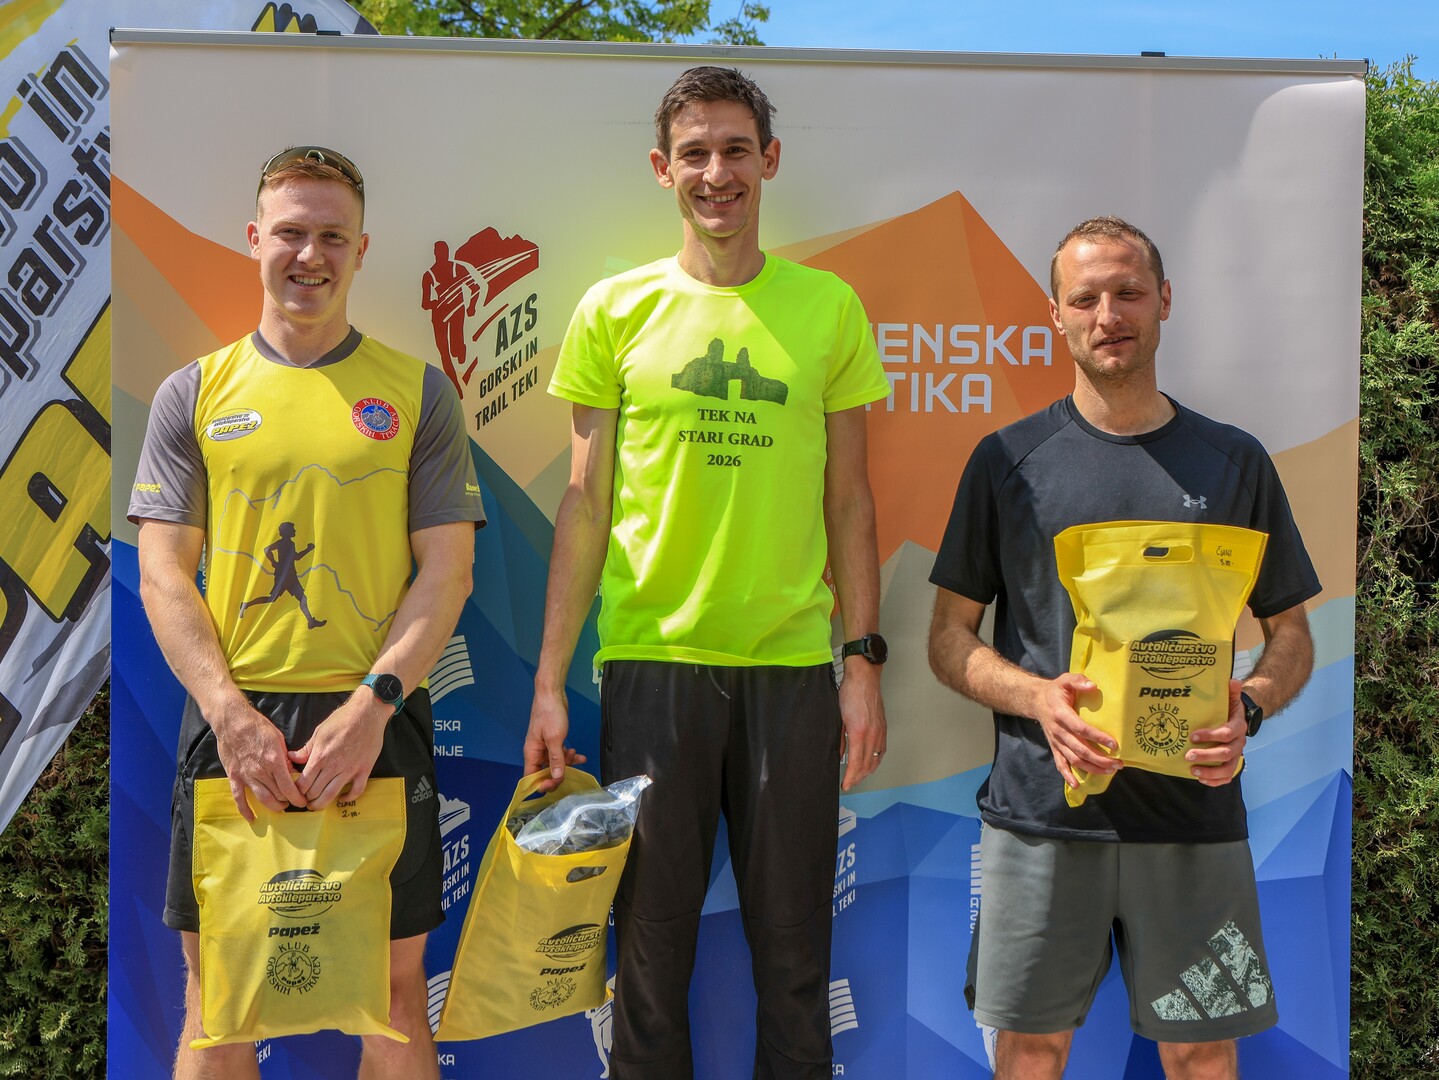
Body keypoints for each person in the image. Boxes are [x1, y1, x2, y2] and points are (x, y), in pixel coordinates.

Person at [523, 66, 891, 1080]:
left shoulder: (828, 308)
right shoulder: (614, 308)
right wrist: (551, 680)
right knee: (646, 960)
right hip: (653, 666)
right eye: (694, 153)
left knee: (795, 959)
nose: (715, 172)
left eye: (734, 150)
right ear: (662, 168)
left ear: (768, 160)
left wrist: (861, 663)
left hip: (790, 671)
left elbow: (851, 503)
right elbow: (584, 504)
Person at [927, 216, 1320, 1080]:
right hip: (1041, 815)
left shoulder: (1234, 460)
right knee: (1029, 1052)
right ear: (1056, 315)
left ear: (1163, 301)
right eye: (1085, 298)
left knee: (1201, 1054)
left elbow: (1290, 634)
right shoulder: (1005, 461)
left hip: (1193, 819)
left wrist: (1249, 707)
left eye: (1128, 292)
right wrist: (1037, 698)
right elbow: (948, 640)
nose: (1107, 315)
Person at [129, 145, 485, 1079]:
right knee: (219, 1007)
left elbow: (447, 573)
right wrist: (229, 714)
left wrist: (370, 709)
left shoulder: (419, 393)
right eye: (291, 233)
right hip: (234, 723)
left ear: (362, 250)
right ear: (255, 239)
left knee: (395, 1004)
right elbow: (162, 574)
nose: (310, 255)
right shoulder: (193, 393)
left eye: (332, 236)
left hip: (376, 721)